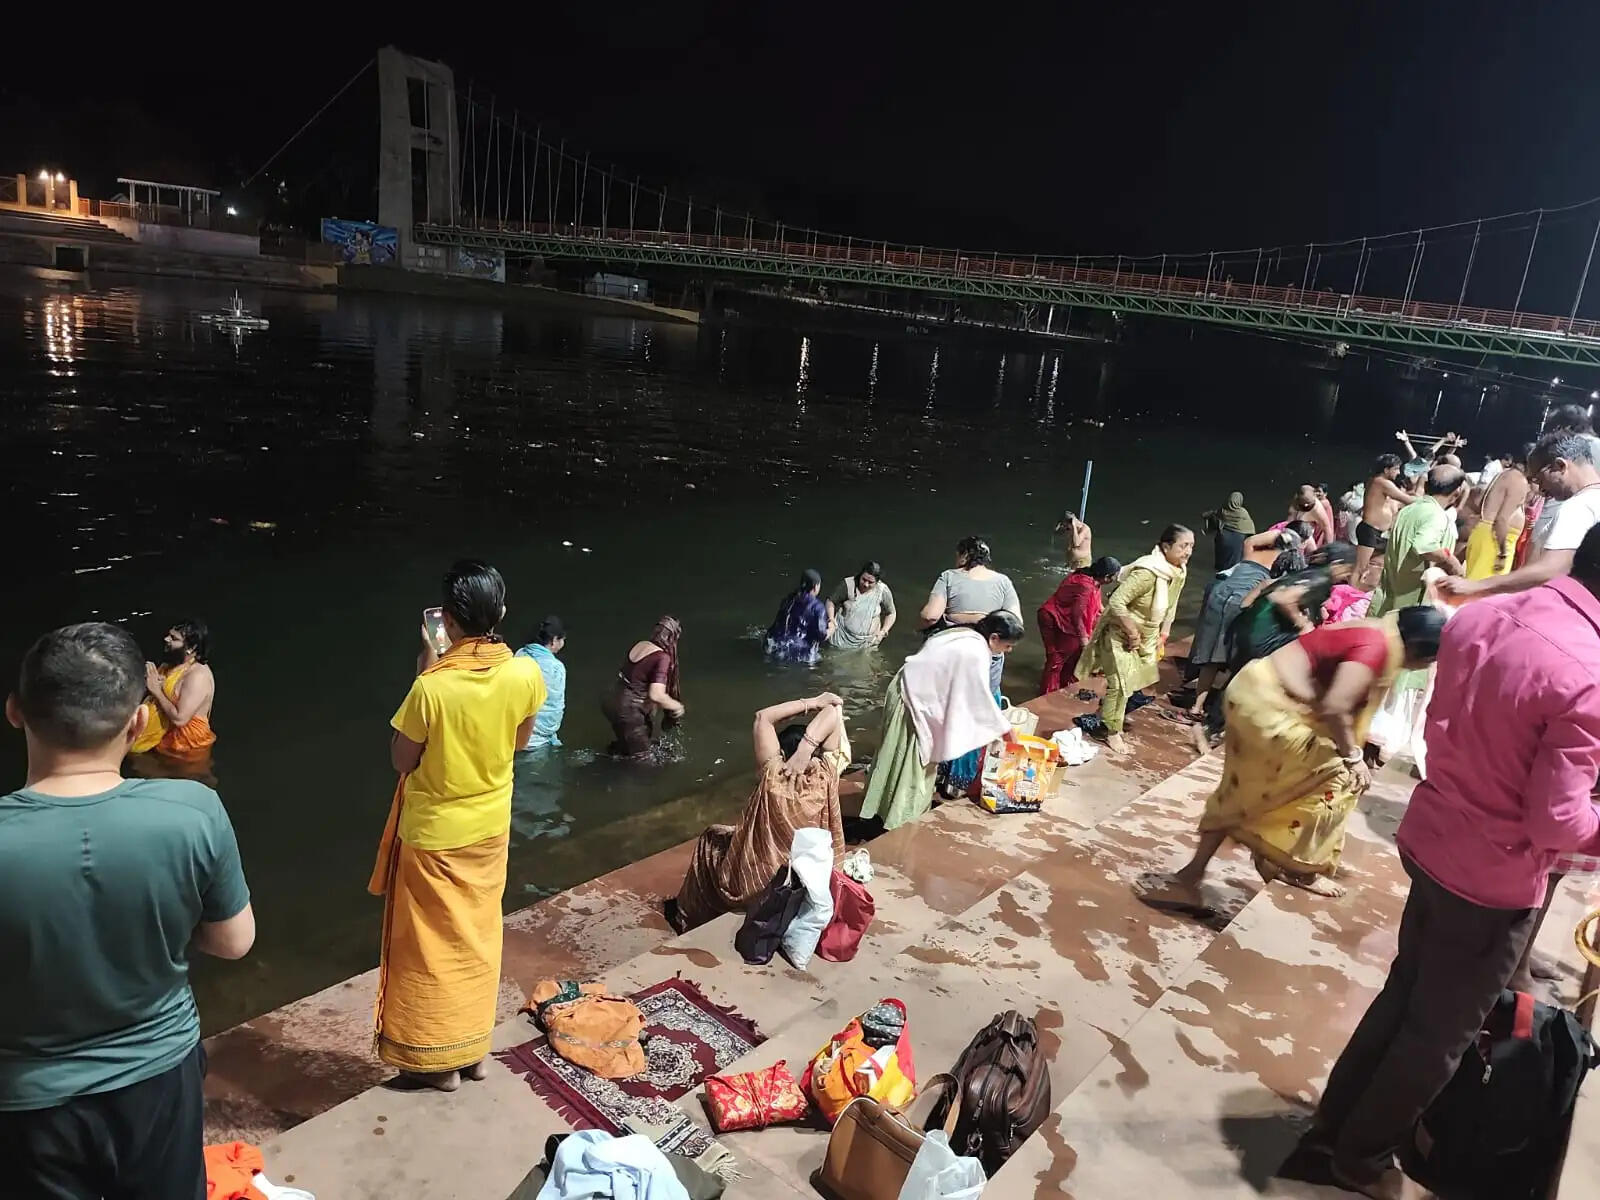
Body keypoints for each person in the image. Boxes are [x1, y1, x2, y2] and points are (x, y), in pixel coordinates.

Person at [1305, 526, 1600, 1200]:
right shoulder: (1589, 673)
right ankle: (1362, 1157)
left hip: (1434, 833)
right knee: (1439, 1034)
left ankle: (1334, 1126)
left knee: (1405, 993)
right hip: (1492, 878)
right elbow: (1556, 820)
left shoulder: (1481, 618)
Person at [0, 623, 254, 1198]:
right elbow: (234, 941)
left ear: (15, 712)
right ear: (139, 720)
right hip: (160, 1076)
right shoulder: (193, 810)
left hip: (28, 1101)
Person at [1138, 606, 1445, 913]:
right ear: (1416, 648)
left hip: (1272, 698)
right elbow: (1336, 707)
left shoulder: (1385, 629)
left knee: (1258, 791)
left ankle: (1276, 859)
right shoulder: (1376, 648)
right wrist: (1353, 756)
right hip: (1268, 707)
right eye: (1429, 660)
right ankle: (1205, 873)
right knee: (1325, 779)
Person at [370, 560, 546, 1091]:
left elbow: (403, 760)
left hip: (435, 834)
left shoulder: (433, 688)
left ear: (446, 619)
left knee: (427, 949)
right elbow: (518, 743)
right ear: (503, 612)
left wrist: (427, 662)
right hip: (490, 827)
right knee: (477, 938)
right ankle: (473, 1053)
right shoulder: (525, 672)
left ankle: (433, 1063)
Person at [669, 693, 850, 932]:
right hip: (812, 879)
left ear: (783, 754)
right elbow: (834, 711)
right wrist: (808, 747)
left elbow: (763, 717)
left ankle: (687, 916)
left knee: (710, 838)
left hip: (758, 884)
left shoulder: (774, 775)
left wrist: (813, 702)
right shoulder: (827, 774)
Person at [858, 611, 1023, 831]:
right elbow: (978, 698)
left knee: (898, 757)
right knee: (911, 764)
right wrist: (1006, 729)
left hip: (906, 688)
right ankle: (897, 819)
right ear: (994, 638)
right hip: (911, 698)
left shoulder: (966, 634)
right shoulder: (975, 652)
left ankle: (881, 810)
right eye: (1008, 645)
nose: (1008, 651)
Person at [1074, 525, 1194, 755]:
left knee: (1134, 684)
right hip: (1121, 633)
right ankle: (1110, 730)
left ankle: (1106, 717)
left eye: (1191, 546)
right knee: (1119, 684)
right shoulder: (1147, 572)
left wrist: (1164, 633)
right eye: (1183, 546)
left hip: (1146, 635)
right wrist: (1131, 632)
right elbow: (1117, 601)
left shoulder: (1178, 571)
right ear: (1166, 546)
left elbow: (1172, 604)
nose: (1188, 551)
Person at [1440, 432, 1600, 602]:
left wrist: (1475, 586)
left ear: (1559, 466)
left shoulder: (1579, 506)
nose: (1541, 489)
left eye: (1539, 479)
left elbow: (1551, 569)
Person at [1185, 531, 1284, 719]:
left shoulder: (1251, 552)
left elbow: (1251, 539)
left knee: (1210, 659)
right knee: (1237, 660)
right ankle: (1222, 713)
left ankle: (1196, 708)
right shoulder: (1281, 564)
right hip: (1238, 602)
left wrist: (1281, 533)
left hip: (1219, 595)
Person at [919, 536, 1022, 693]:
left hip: (953, 647)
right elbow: (1015, 622)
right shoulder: (1003, 581)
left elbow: (930, 616)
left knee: (945, 699)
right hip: (988, 650)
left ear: (965, 555)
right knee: (984, 700)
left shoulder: (949, 576)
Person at [129, 619, 216, 761]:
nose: (166, 639)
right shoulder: (171, 664)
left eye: (174, 638)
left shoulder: (197, 676)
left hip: (188, 750)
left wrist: (156, 690)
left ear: (192, 648)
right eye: (169, 635)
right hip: (162, 741)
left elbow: (180, 719)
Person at [1037, 556, 1121, 695]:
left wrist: (1111, 618)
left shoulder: (1094, 581)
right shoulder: (1085, 585)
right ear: (1106, 576)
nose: (1114, 580)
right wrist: (1083, 640)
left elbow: (1098, 605)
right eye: (1113, 576)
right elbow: (1077, 615)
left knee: (1073, 657)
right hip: (1053, 619)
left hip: (1067, 620)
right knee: (1056, 659)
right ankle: (1047, 694)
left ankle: (1064, 687)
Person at [603, 617, 685, 758]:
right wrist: (676, 706)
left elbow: (637, 679)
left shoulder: (641, 644)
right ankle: (622, 777)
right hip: (627, 709)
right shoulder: (662, 657)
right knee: (644, 760)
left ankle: (610, 763)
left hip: (611, 700)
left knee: (628, 747)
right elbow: (656, 694)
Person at [1462, 446, 1529, 580]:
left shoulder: (1503, 474)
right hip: (1494, 543)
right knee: (1481, 594)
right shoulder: (1518, 480)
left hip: (1485, 535)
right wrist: (1503, 552)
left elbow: (1480, 501)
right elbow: (1501, 520)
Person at [1354, 455, 1415, 589]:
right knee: (1361, 567)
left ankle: (1368, 591)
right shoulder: (1380, 482)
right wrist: (1428, 501)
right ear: (1386, 470)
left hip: (1380, 533)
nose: (1398, 473)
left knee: (1382, 564)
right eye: (1396, 469)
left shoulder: (1378, 482)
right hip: (1370, 530)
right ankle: (1351, 594)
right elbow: (1407, 499)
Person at [515, 617, 567, 750]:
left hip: (514, 734)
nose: (563, 643)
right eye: (562, 640)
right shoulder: (556, 668)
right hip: (539, 742)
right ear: (554, 641)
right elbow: (554, 709)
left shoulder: (520, 654)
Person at [826, 561, 897, 650]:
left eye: (870, 582)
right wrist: (831, 619)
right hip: (841, 638)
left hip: (868, 643)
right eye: (864, 579)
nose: (866, 584)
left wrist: (883, 631)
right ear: (860, 575)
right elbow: (831, 601)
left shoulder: (882, 590)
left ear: (877, 582)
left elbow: (891, 613)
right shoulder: (848, 584)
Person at [766, 569, 829, 663]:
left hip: (773, 646)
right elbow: (821, 635)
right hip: (797, 654)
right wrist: (832, 629)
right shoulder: (818, 607)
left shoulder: (788, 599)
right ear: (816, 587)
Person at [1200, 492, 1255, 571]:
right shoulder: (1243, 513)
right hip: (1238, 539)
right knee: (1234, 560)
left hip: (1223, 538)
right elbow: (1249, 528)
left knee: (1221, 559)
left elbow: (1212, 516)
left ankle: (1220, 569)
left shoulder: (1222, 510)